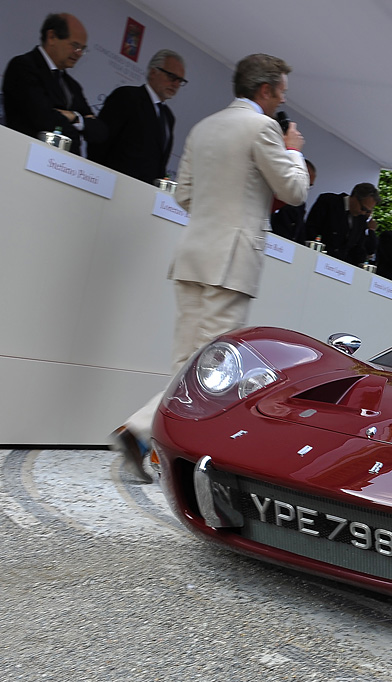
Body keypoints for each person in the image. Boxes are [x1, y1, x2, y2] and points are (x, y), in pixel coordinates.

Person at [109, 53, 309, 482]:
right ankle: (141, 431)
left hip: (193, 253)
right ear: (265, 90)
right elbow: (293, 190)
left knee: (186, 360)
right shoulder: (264, 128)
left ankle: (159, 447)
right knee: (212, 368)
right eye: (281, 92)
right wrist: (293, 153)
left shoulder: (204, 127)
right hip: (231, 261)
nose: (281, 101)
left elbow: (184, 195)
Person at [2, 13, 107, 155]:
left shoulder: (72, 86)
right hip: (23, 156)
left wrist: (75, 118)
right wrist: (80, 126)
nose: (79, 54)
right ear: (52, 37)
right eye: (75, 46)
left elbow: (99, 133)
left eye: (82, 49)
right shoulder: (24, 66)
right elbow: (42, 118)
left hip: (63, 167)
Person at [89, 49, 185, 183]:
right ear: (153, 72)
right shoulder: (127, 96)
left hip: (144, 193)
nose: (175, 84)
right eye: (171, 77)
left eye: (180, 80)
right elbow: (100, 142)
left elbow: (159, 162)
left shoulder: (168, 117)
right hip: (112, 184)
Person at [304, 183, 380, 265]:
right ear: (355, 197)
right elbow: (310, 229)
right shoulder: (329, 202)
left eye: (367, 211)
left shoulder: (361, 220)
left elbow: (358, 248)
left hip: (340, 268)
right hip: (315, 259)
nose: (363, 212)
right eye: (363, 208)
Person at [271, 159, 316, 243]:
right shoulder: (270, 192)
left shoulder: (299, 204)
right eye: (305, 183)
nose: (305, 189)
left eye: (309, 186)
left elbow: (299, 234)